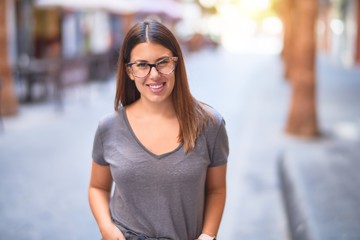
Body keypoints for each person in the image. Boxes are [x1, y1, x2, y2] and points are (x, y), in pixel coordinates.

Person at [88, 19, 229, 240]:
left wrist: (208, 235)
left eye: (163, 62)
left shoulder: (210, 124)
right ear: (129, 71)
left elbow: (216, 190)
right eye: (142, 65)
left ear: (177, 64)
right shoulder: (109, 127)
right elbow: (97, 187)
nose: (154, 75)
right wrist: (106, 228)